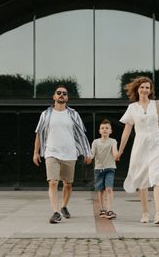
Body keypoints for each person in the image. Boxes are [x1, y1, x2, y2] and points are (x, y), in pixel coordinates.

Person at [33, 85, 92, 224]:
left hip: (70, 153)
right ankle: (55, 212)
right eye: (58, 93)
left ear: (67, 98)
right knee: (53, 182)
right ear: (54, 97)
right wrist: (36, 152)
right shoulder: (46, 114)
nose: (61, 95)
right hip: (51, 152)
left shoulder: (73, 114)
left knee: (68, 184)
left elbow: (81, 135)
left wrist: (87, 152)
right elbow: (39, 133)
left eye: (64, 93)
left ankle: (64, 206)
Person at [116, 76, 159, 224]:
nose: (145, 90)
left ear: (150, 90)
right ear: (137, 89)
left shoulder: (158, 105)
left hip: (156, 143)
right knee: (142, 179)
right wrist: (120, 151)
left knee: (157, 176)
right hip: (140, 145)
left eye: (147, 87)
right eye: (142, 87)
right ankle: (145, 212)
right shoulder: (132, 108)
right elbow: (126, 132)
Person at [90, 119, 119, 219]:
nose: (104, 130)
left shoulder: (113, 141)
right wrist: (88, 157)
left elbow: (115, 151)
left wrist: (116, 155)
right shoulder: (95, 142)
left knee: (109, 189)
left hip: (110, 168)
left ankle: (110, 210)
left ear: (110, 131)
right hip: (98, 169)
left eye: (107, 128)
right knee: (100, 190)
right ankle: (102, 210)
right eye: (102, 128)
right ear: (99, 131)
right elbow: (92, 154)